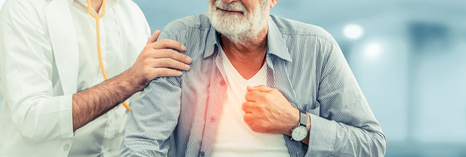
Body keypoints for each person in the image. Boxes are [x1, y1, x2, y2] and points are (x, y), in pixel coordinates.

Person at [120, 0, 386, 156]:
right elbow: (142, 142)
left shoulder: (316, 46)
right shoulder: (181, 37)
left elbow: (371, 144)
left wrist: (297, 123)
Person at [0, 0, 191, 156]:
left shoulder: (131, 13)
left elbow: (146, 112)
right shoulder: (24, 8)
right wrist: (130, 80)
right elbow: (31, 120)